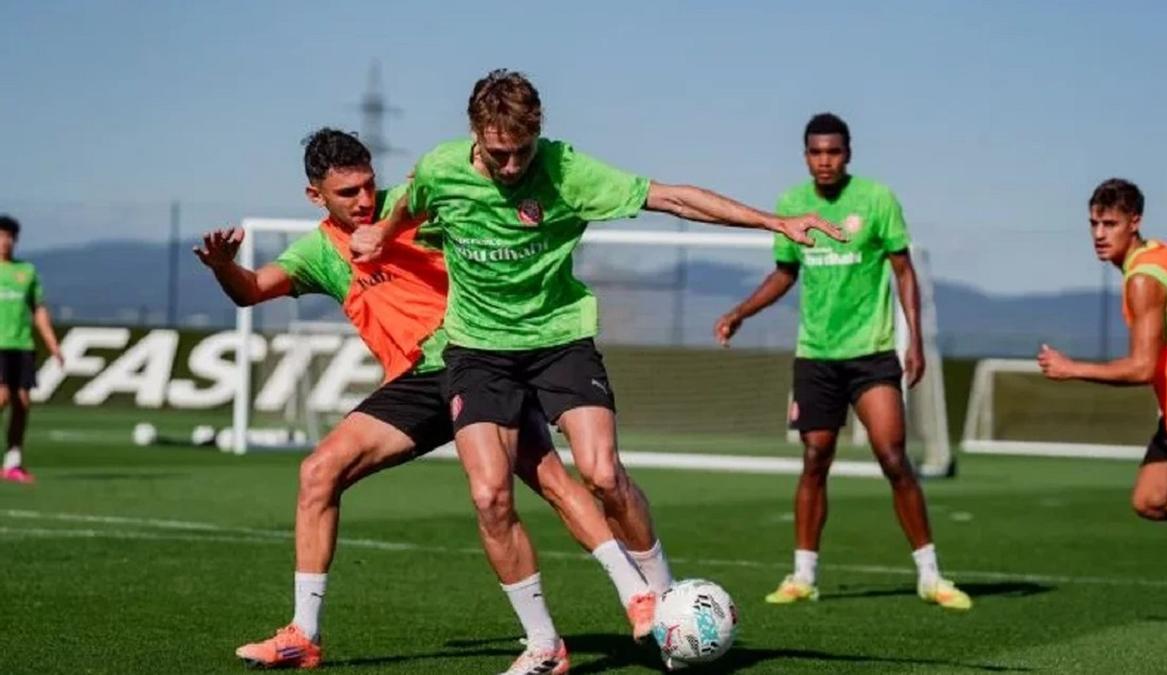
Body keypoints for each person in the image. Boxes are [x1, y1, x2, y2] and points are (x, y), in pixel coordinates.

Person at [355, 69, 844, 672]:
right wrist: (382, 228)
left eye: (523, 153)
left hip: (559, 338)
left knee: (603, 474)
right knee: (488, 496)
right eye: (500, 155)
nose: (513, 168)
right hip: (478, 349)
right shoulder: (441, 167)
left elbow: (674, 198)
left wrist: (774, 222)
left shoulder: (567, 171)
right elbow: (411, 196)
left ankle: (662, 603)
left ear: (540, 135)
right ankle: (543, 645)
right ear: (475, 136)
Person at [196, 128, 653, 672]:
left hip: (478, 360)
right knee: (320, 471)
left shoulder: (409, 207)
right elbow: (251, 290)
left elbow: (464, 190)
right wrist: (225, 266)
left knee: (551, 480)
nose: (365, 200)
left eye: (369, 185)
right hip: (415, 382)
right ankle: (304, 634)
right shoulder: (319, 250)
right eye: (348, 193)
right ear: (315, 196)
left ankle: (639, 596)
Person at [713, 113, 970, 611]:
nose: (824, 160)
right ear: (806, 156)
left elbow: (904, 271)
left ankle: (930, 575)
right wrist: (741, 311)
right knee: (815, 459)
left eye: (833, 152)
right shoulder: (792, 204)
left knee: (894, 457)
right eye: (815, 152)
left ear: (848, 153)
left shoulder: (876, 200)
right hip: (815, 356)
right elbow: (784, 273)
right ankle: (803, 575)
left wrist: (914, 340)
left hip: (871, 353)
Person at [1039, 178, 1167, 549]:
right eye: (1094, 224)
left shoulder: (1143, 279)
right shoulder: (1164, 254)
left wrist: (1071, 368)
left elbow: (1141, 368)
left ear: (1135, 221)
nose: (1099, 234)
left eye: (1110, 224)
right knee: (1150, 500)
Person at [0, 215, 63, 485]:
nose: (5, 241)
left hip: (22, 345)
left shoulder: (26, 271)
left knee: (22, 403)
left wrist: (53, 344)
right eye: (1, 235)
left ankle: (13, 461)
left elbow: (38, 309)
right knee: (2, 396)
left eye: (10, 236)